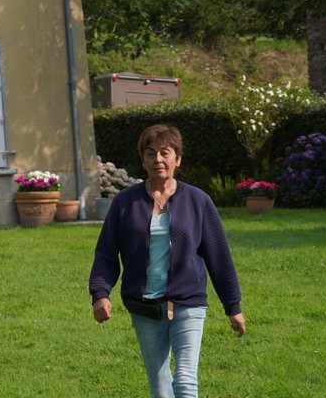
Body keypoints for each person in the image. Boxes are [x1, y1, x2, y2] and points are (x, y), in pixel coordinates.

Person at [89, 123, 247, 398]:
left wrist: (232, 306)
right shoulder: (125, 203)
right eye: (150, 153)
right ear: (143, 160)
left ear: (178, 158)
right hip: (144, 307)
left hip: (188, 303)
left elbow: (219, 256)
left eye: (165, 152)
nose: (158, 159)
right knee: (161, 389)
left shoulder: (198, 201)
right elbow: (106, 253)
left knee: (185, 382)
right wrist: (100, 293)